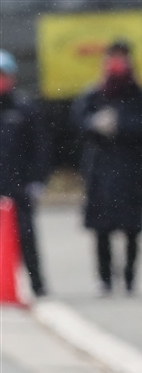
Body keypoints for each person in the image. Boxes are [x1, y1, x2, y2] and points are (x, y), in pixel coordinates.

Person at [71, 41, 142, 294]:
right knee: (101, 229)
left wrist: (120, 125)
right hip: (100, 172)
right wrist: (95, 124)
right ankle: (105, 279)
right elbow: (78, 123)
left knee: (132, 229)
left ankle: (130, 278)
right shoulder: (94, 94)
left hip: (132, 172)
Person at [0, 49, 50, 297]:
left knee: (27, 237)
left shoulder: (24, 108)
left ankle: (38, 285)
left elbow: (40, 147)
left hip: (19, 186)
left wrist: (38, 179)